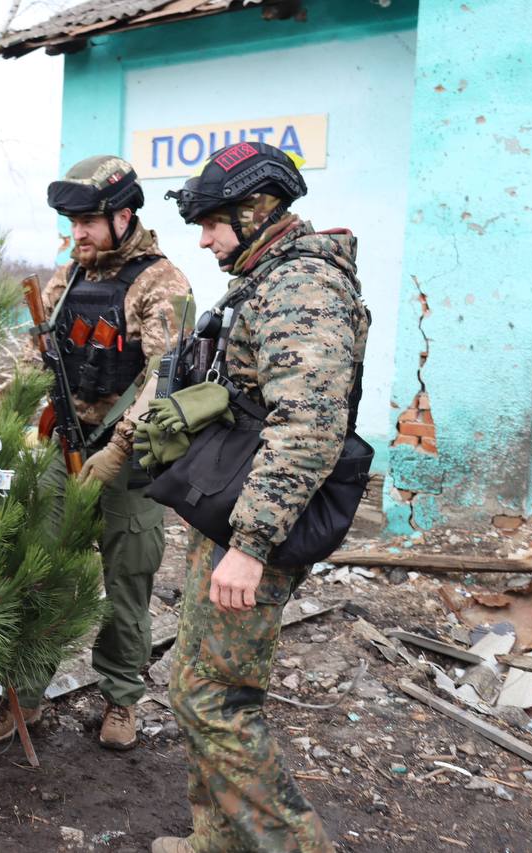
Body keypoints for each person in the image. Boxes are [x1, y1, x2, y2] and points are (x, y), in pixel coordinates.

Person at [153, 141, 368, 853]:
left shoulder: (302, 286)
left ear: (257, 210)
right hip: (231, 508)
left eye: (213, 223)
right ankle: (216, 836)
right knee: (197, 682)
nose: (206, 238)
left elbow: (308, 426)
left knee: (215, 696)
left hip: (258, 524)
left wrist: (249, 547)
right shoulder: (263, 278)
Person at [0, 155, 191, 751]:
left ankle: (120, 700)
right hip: (61, 449)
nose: (79, 234)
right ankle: (21, 693)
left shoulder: (161, 281)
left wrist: (120, 448)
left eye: (89, 221)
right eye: (73, 222)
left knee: (128, 585)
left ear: (124, 216)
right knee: (38, 574)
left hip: (129, 459)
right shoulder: (67, 278)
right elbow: (35, 356)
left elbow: (165, 377)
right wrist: (13, 418)